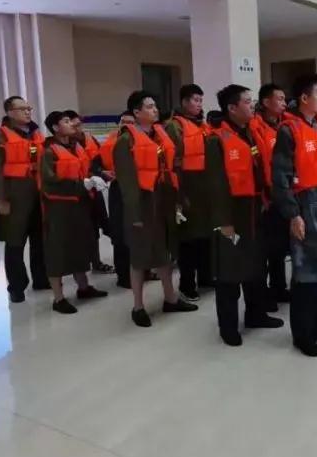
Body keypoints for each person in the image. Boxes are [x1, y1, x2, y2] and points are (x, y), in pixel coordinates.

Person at [206, 84, 284, 346]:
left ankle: (256, 314)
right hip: (232, 215)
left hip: (255, 209)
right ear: (232, 108)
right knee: (229, 273)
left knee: (256, 265)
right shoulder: (217, 140)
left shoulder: (250, 133)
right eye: (247, 102)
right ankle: (228, 327)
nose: (252, 106)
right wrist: (224, 223)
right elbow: (215, 186)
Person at [113, 90, 198, 327]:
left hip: (164, 199)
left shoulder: (160, 135)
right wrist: (135, 214)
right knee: (140, 256)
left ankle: (170, 298)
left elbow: (171, 167)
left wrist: (178, 199)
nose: (155, 110)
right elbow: (127, 183)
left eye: (155, 106)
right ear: (136, 112)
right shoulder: (126, 141)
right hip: (142, 202)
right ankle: (138, 306)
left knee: (165, 251)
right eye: (149, 107)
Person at [272, 74, 317, 357]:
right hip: (305, 203)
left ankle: (316, 323)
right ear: (304, 98)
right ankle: (302, 334)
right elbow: (280, 177)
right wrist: (293, 214)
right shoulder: (289, 130)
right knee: (307, 270)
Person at [39, 111, 110, 314]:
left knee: (81, 246)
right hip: (59, 208)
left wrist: (96, 177)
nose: (71, 124)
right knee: (57, 251)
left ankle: (83, 287)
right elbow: (49, 182)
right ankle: (58, 298)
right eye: (66, 121)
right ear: (55, 127)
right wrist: (81, 184)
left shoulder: (76, 146)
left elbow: (86, 169)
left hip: (80, 205)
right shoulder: (49, 151)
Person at [0, 95, 50, 304]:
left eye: (29, 108)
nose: (28, 112)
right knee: (14, 243)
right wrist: (1, 199)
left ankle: (41, 279)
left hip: (38, 194)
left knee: (40, 240)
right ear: (10, 112)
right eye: (22, 109)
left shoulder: (36, 134)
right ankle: (16, 286)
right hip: (14, 197)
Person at [164, 84, 213, 301]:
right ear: (184, 101)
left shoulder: (203, 125)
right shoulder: (174, 126)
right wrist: (178, 194)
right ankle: (187, 283)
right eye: (195, 100)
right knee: (188, 239)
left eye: (201, 100)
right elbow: (172, 162)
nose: (199, 104)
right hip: (186, 186)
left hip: (205, 188)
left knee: (206, 236)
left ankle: (206, 276)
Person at [249, 83, 290, 309]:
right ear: (266, 102)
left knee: (279, 247)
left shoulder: (284, 126)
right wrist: (265, 196)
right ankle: (264, 295)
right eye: (279, 99)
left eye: (284, 99)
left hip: (283, 194)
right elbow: (257, 166)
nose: (284, 103)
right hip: (265, 198)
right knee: (264, 249)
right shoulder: (255, 128)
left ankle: (279, 288)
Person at [64, 110, 114, 273]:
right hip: (78, 191)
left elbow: (98, 162)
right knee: (83, 230)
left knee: (102, 225)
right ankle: (83, 266)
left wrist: (102, 172)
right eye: (74, 125)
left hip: (94, 189)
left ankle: (97, 262)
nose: (78, 128)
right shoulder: (65, 145)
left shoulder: (90, 139)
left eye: (79, 124)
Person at [101, 112, 136, 288]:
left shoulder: (144, 140)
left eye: (131, 122)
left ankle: (142, 271)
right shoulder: (110, 143)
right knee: (121, 234)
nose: (127, 125)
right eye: (124, 122)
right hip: (118, 190)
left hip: (139, 189)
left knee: (139, 233)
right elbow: (95, 164)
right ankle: (124, 276)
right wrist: (102, 173)